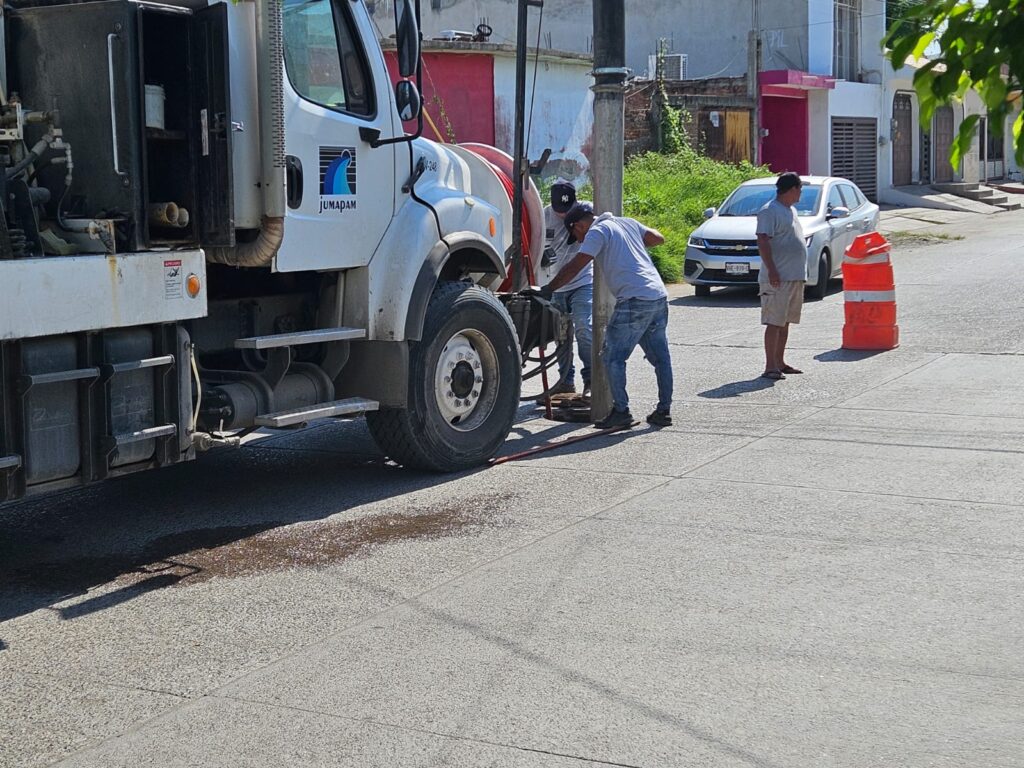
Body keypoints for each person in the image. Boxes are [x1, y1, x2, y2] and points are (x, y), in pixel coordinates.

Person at [539, 203, 673, 429]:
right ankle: (664, 411)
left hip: (634, 300)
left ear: (579, 225)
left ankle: (621, 412)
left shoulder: (596, 231)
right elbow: (657, 238)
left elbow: (576, 267)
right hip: (658, 297)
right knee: (661, 358)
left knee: (612, 357)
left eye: (575, 234)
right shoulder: (626, 223)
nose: (578, 240)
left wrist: (548, 289)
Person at [536, 178, 593, 402]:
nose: (563, 216)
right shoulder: (542, 216)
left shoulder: (586, 213)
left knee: (584, 328)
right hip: (555, 285)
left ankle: (592, 380)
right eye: (559, 210)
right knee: (560, 336)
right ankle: (565, 382)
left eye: (567, 210)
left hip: (583, 282)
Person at [755, 171, 807, 380]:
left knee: (785, 322)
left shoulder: (790, 210)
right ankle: (770, 366)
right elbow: (763, 240)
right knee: (774, 321)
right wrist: (772, 270)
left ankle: (780, 362)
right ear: (793, 188)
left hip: (793, 276)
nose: (800, 193)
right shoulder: (769, 211)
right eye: (800, 189)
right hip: (777, 278)